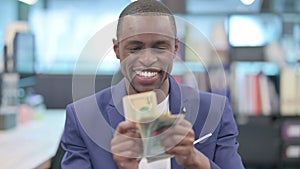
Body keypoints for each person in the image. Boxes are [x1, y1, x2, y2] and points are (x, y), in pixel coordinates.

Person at [61, 0, 245, 169]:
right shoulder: (82, 117)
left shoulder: (215, 110)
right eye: (135, 48)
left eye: (160, 47)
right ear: (117, 50)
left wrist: (196, 160)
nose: (148, 60)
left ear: (175, 49)